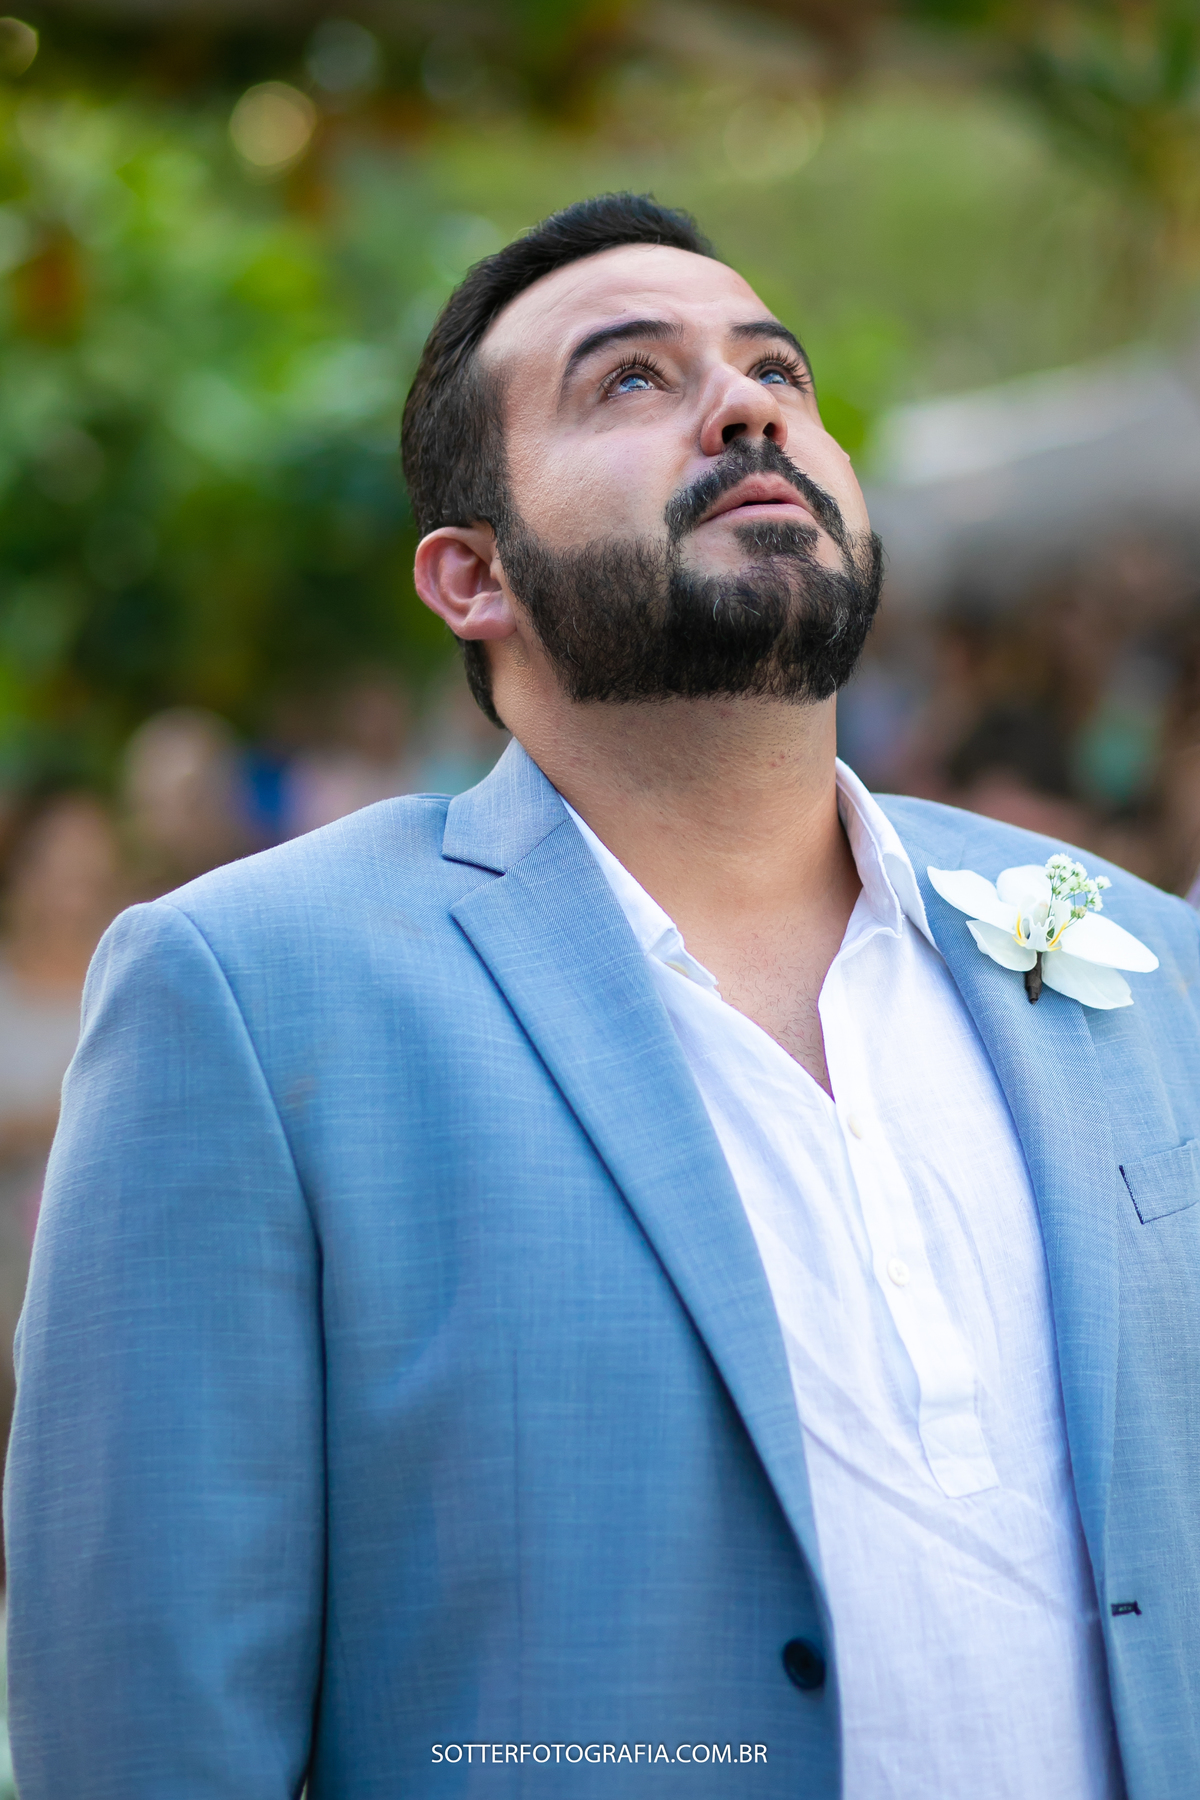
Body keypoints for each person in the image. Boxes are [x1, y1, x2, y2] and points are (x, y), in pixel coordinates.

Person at [7, 195, 1199, 1799]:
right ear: (469, 577)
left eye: (777, 369)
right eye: (631, 380)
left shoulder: (1133, 956)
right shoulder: (250, 992)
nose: (748, 402)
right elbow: (145, 1734)